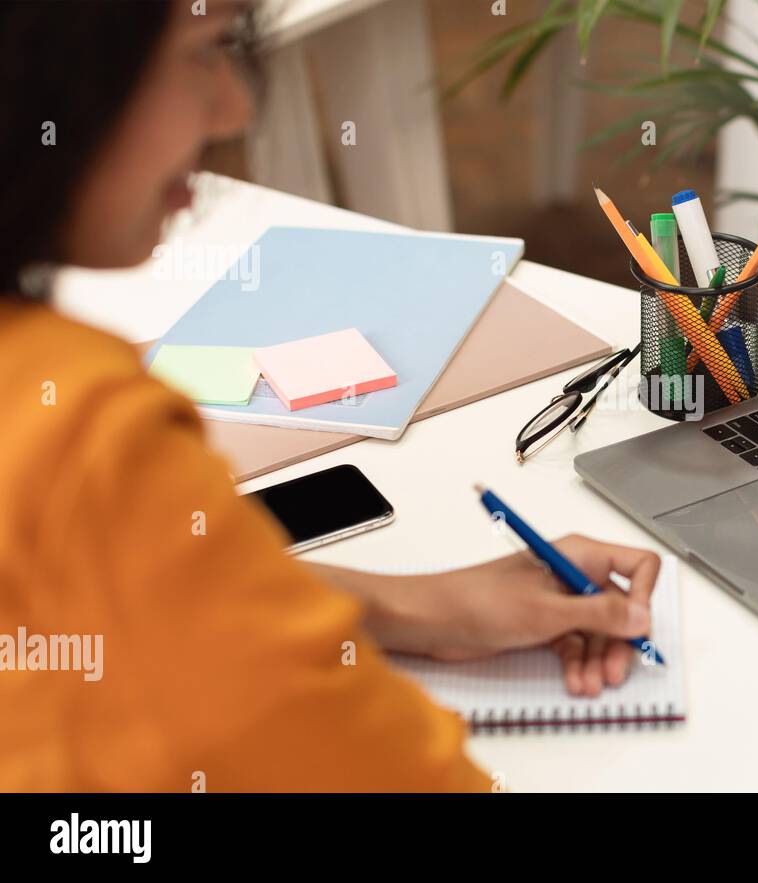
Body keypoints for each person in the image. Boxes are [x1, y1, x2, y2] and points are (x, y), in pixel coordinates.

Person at [0, 1, 660, 791]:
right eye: (208, 50)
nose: (234, 108)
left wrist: (414, 607)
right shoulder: (90, 440)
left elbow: (171, 608)